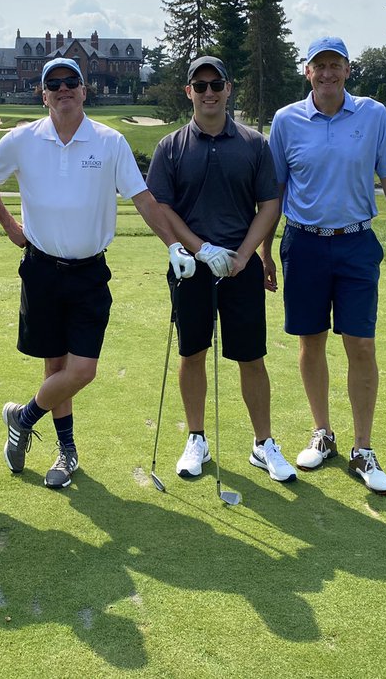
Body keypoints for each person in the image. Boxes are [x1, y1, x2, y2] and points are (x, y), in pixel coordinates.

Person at [0, 57, 195, 489]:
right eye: (54, 84)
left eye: (71, 82)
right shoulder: (22, 139)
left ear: (84, 91)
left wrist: (173, 244)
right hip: (41, 269)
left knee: (82, 370)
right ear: (43, 95)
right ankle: (67, 453)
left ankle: (22, 418)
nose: (63, 89)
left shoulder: (109, 141)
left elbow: (143, 199)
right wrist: (8, 226)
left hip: (89, 273)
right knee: (55, 366)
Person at [264, 36, 386, 494]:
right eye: (319, 66)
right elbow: (273, 194)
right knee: (311, 341)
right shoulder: (285, 121)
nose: (327, 73)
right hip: (303, 244)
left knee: (361, 345)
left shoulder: (373, 114)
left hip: (357, 243)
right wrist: (265, 251)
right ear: (308, 72)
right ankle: (322, 433)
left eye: (335, 65)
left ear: (347, 69)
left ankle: (363, 448)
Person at [146, 55, 297, 484]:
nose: (209, 92)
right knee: (192, 353)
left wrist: (245, 255)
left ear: (229, 89)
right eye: (201, 85)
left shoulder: (253, 144)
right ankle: (197, 438)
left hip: (240, 266)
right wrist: (201, 248)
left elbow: (269, 204)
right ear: (188, 91)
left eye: (217, 84)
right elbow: (162, 208)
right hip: (190, 269)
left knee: (251, 357)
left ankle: (262, 443)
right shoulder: (171, 147)